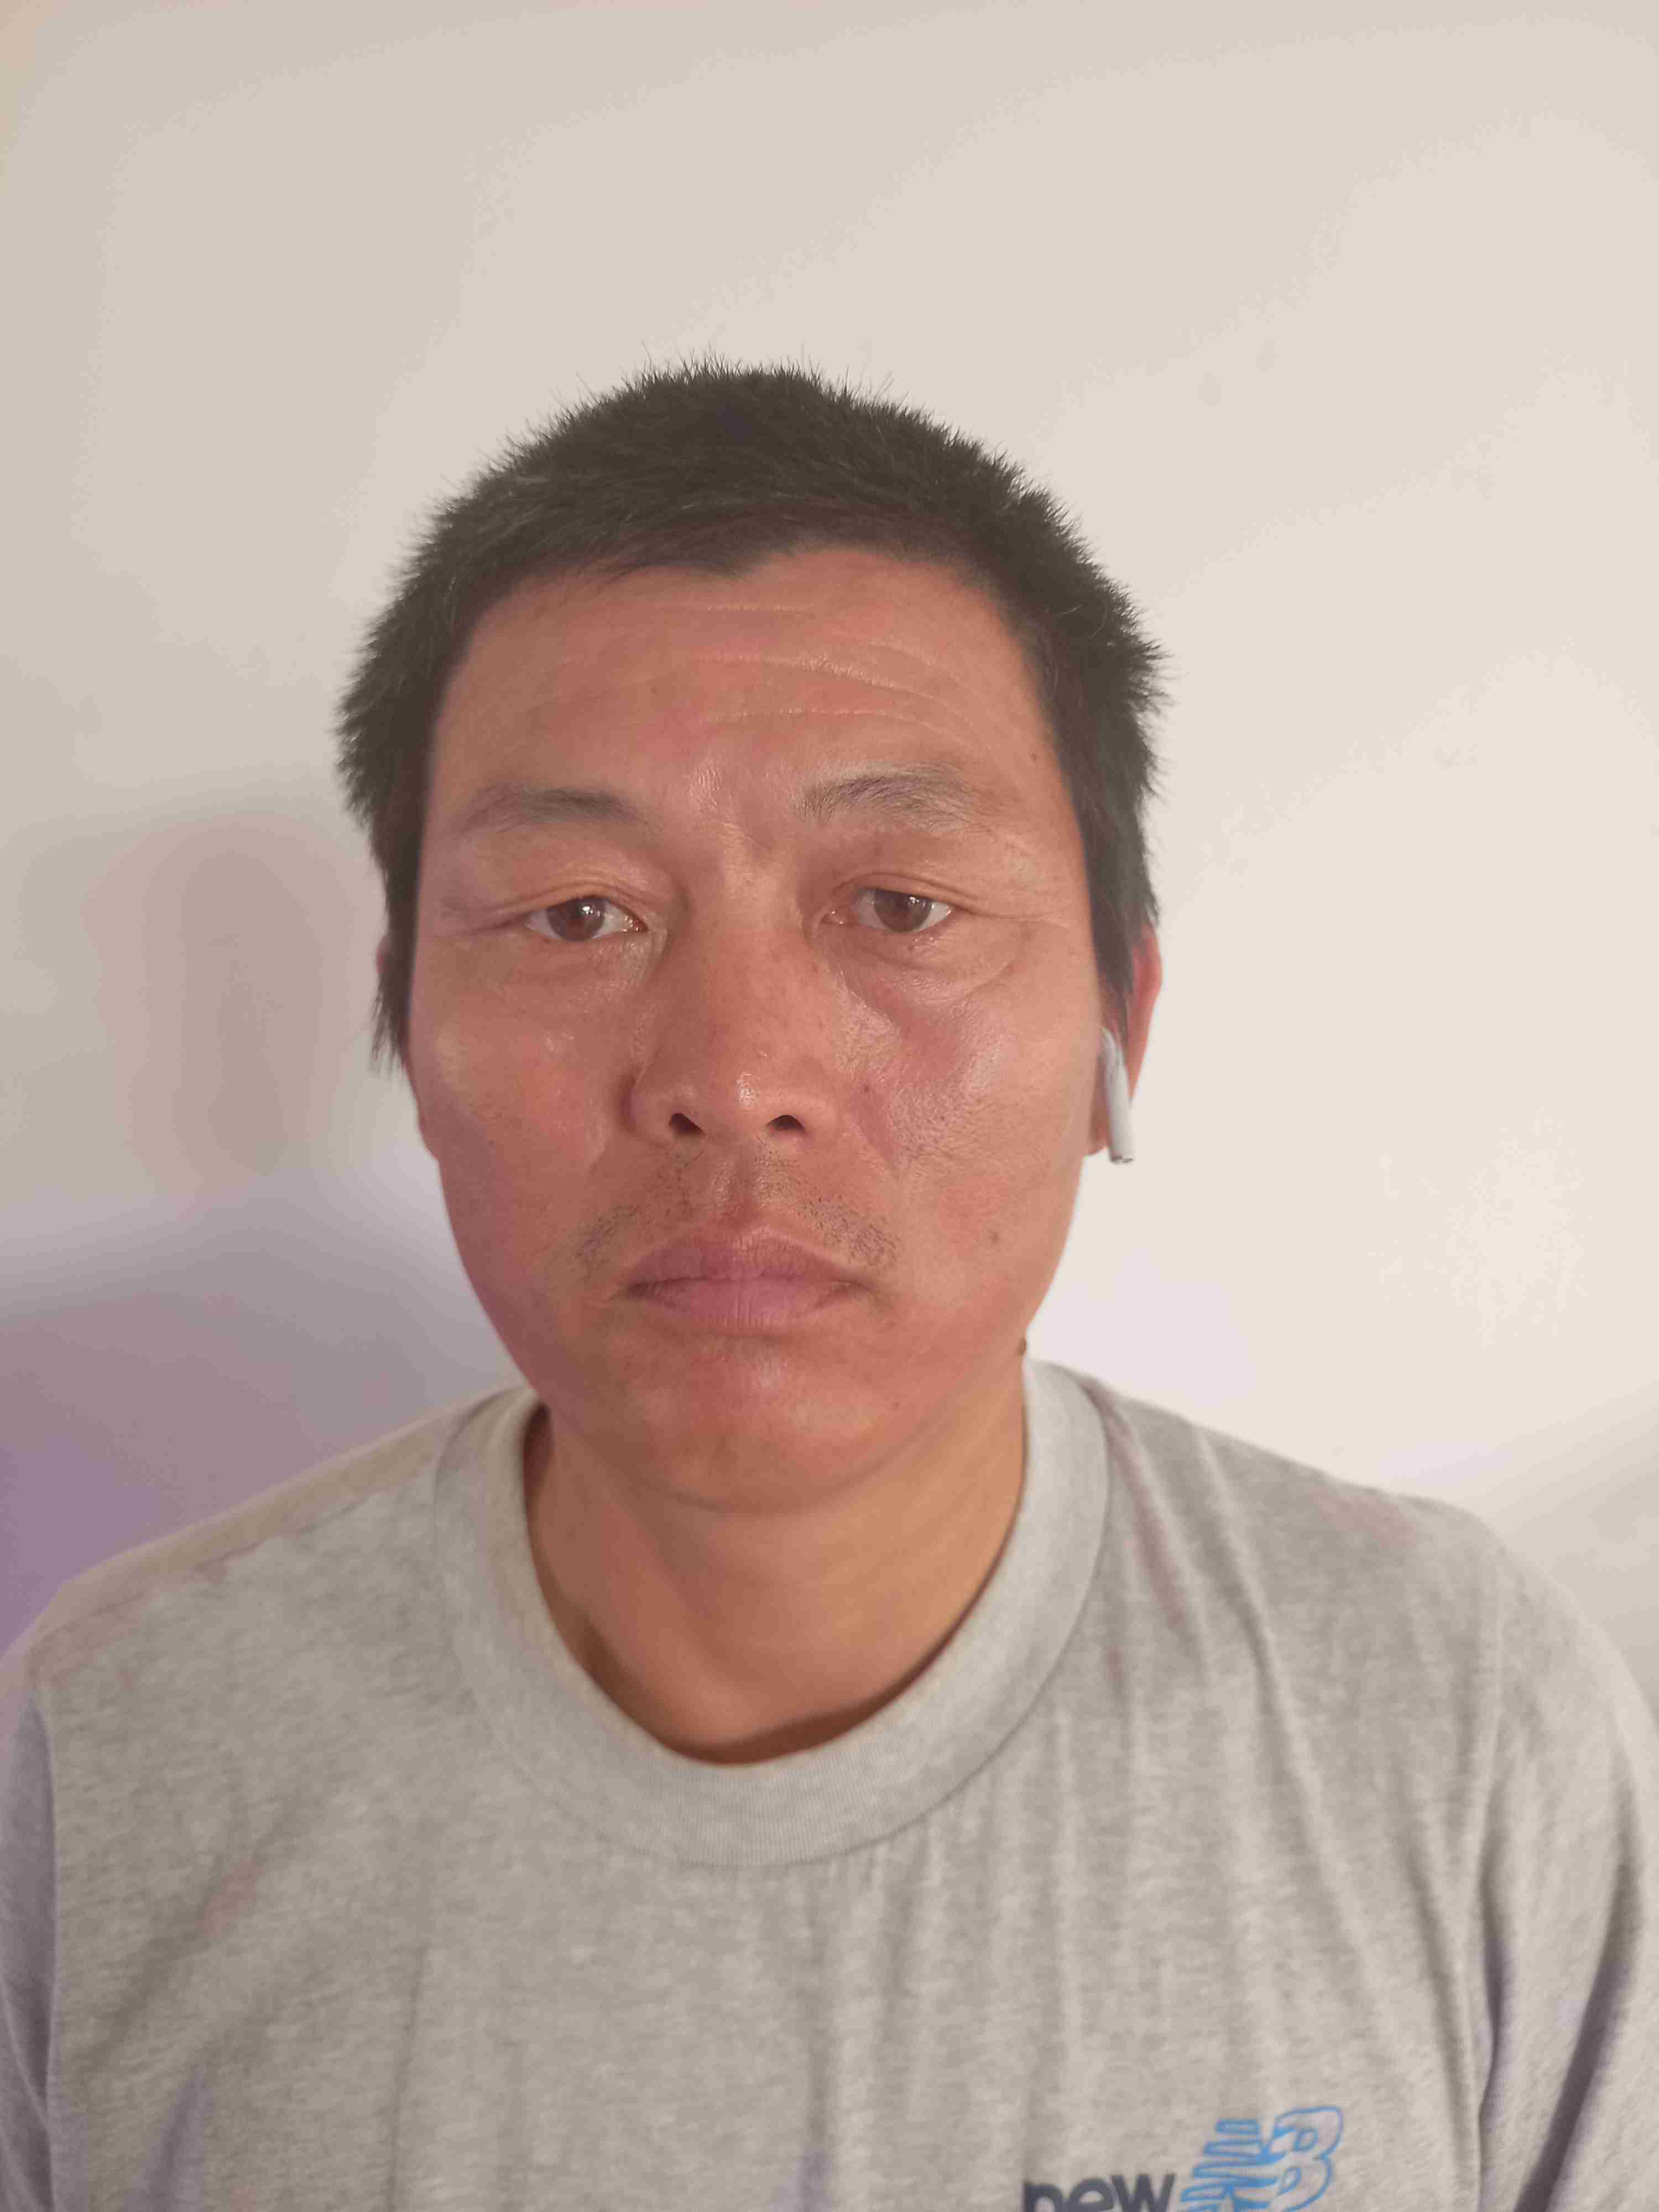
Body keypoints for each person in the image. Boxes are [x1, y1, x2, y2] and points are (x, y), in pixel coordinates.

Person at [2, 356, 1654, 2209]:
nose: (734, 1072)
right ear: (404, 1021)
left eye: (902, 905)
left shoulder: (1453, 1720)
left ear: (1119, 1027)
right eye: (577, 914)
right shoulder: (118, 1752)